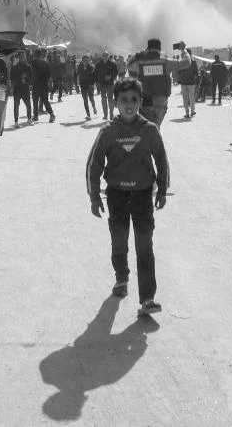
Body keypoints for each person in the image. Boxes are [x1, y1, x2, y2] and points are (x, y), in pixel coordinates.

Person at [86, 77, 169, 317]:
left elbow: (162, 160)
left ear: (140, 102)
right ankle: (121, 279)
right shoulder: (108, 132)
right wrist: (94, 197)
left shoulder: (149, 130)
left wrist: (161, 189)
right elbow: (94, 165)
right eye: (124, 100)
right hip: (117, 196)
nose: (129, 104)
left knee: (145, 245)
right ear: (116, 103)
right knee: (119, 241)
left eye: (134, 99)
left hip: (143, 196)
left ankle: (147, 298)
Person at [127, 38, 191, 127]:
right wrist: (183, 50)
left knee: (148, 129)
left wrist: (140, 53)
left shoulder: (141, 63)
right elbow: (187, 62)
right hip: (161, 102)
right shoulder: (165, 62)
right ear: (160, 48)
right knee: (155, 128)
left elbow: (129, 65)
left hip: (145, 102)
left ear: (148, 49)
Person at [31, 48, 56, 123]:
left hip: (36, 85)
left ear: (35, 55)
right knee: (45, 101)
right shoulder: (45, 64)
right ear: (41, 55)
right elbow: (49, 75)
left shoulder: (32, 63)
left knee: (35, 101)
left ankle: (35, 116)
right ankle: (51, 114)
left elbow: (31, 74)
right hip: (44, 85)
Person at [9, 50, 33, 126]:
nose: (23, 57)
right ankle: (16, 122)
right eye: (22, 56)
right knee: (16, 106)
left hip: (25, 89)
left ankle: (29, 119)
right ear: (19, 57)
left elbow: (31, 77)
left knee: (28, 105)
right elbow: (11, 77)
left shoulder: (28, 66)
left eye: (24, 56)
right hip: (17, 89)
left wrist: (27, 80)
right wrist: (20, 79)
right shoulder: (15, 67)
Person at [95, 51, 119, 121]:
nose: (105, 57)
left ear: (108, 56)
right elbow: (95, 73)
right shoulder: (98, 64)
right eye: (103, 55)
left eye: (106, 55)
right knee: (103, 99)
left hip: (110, 84)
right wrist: (97, 82)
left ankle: (111, 113)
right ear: (102, 56)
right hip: (102, 84)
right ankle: (105, 115)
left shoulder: (112, 63)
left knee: (110, 99)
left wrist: (111, 76)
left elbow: (116, 72)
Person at [176, 45, 198, 118]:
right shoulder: (194, 62)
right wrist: (194, 79)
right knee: (192, 98)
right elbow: (196, 72)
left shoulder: (181, 62)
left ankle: (187, 113)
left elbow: (178, 72)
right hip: (191, 83)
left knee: (185, 98)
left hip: (184, 83)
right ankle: (192, 111)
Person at [77, 55, 97, 120]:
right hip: (83, 85)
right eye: (84, 60)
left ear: (88, 61)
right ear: (82, 61)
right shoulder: (79, 67)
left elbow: (94, 76)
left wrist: (93, 84)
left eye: (86, 60)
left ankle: (94, 107)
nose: (85, 62)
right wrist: (77, 83)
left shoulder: (91, 67)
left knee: (91, 98)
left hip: (90, 85)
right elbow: (77, 75)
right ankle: (88, 115)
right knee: (85, 100)